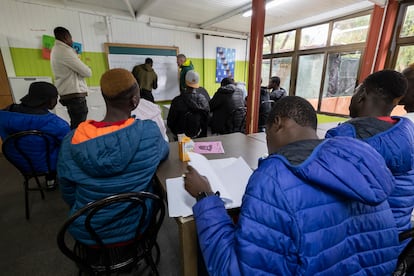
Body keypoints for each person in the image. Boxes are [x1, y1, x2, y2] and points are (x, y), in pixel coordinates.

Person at [184, 96, 400, 275]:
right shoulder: (362, 161)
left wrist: (205, 196)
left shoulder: (273, 178)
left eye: (267, 134)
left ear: (278, 123)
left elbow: (236, 271)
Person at [57, 68, 169, 245]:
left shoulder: (71, 140)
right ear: (134, 101)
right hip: (137, 226)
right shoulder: (148, 132)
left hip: (88, 231)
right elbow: (164, 152)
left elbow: (68, 192)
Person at [326, 69, 414, 239]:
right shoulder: (407, 132)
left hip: (359, 239)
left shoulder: (345, 137)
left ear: (362, 95)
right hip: (398, 237)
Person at [0, 82, 70, 188]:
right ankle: (55, 181)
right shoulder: (56, 124)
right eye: (56, 98)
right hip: (46, 163)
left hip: (19, 162)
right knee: (68, 147)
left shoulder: (5, 115)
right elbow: (69, 144)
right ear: (50, 100)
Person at [51, 26, 92, 129]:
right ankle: (76, 144)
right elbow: (87, 72)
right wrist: (88, 68)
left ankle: (74, 142)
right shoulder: (65, 51)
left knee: (76, 123)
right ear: (66, 37)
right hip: (74, 94)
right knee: (79, 125)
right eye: (71, 38)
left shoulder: (56, 50)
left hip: (67, 93)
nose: (72, 41)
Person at [167, 70, 209, 139]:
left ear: (185, 82)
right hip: (198, 136)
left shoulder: (176, 101)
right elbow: (206, 120)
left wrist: (178, 134)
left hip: (180, 139)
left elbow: (170, 122)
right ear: (197, 83)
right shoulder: (203, 100)